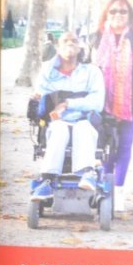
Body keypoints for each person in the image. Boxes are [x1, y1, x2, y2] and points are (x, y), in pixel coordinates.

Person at [87, 0, 133, 208]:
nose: (118, 15)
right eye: (113, 11)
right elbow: (85, 69)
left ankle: (118, 190)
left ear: (130, 15)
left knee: (125, 145)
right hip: (103, 102)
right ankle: (105, 188)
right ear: (106, 14)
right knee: (106, 146)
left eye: (123, 11)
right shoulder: (95, 38)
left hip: (132, 102)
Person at [30, 31, 106, 201]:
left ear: (80, 48)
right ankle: (48, 180)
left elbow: (97, 102)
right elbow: (40, 100)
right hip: (58, 122)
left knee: (83, 128)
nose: (70, 43)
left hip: (84, 120)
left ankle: (88, 173)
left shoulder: (92, 72)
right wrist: (37, 101)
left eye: (74, 41)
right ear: (57, 47)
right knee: (58, 129)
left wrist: (68, 103)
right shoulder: (49, 73)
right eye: (65, 41)